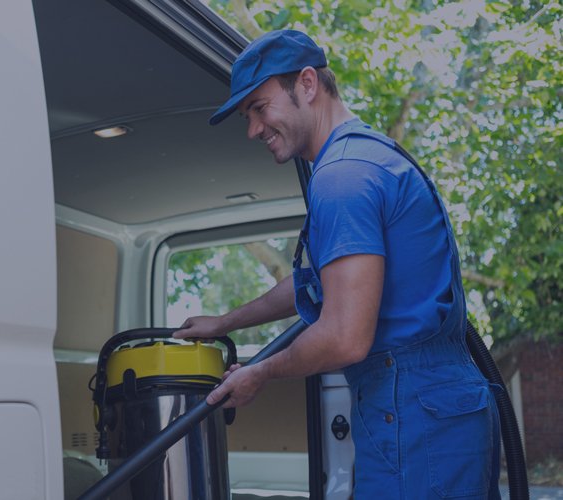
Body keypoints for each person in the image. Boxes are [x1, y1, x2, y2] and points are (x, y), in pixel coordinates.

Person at [173, 30, 501, 498]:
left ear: (307, 84)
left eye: (260, 108)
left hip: (410, 407)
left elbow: (344, 336)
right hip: (434, 405)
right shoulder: (368, 156)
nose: (253, 130)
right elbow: (322, 284)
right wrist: (227, 321)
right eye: (247, 117)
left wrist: (259, 373)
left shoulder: (341, 178)